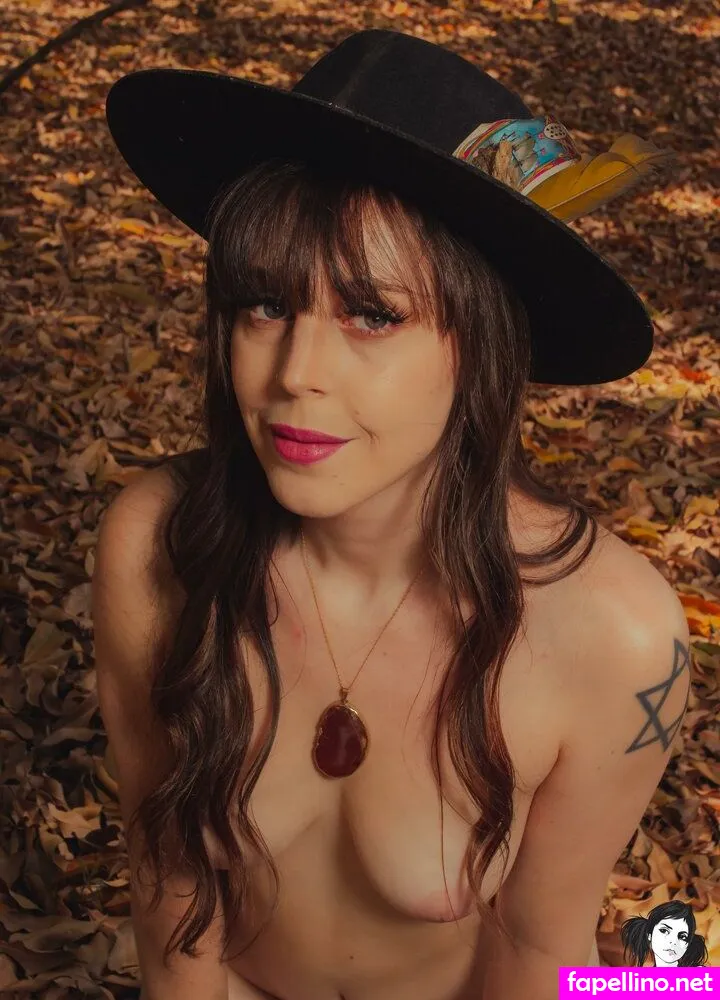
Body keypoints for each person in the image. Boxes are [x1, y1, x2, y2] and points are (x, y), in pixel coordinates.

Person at [94, 28, 690, 1000]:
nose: (296, 374)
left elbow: (539, 947)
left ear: (483, 346)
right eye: (264, 305)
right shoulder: (157, 547)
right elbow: (172, 897)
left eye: (372, 313)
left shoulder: (615, 638)